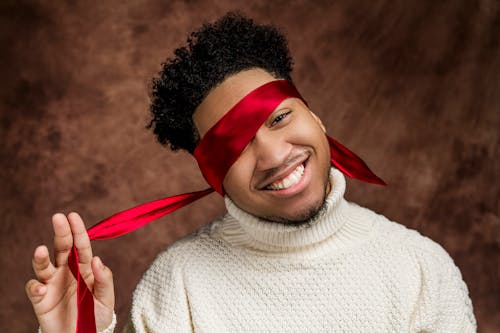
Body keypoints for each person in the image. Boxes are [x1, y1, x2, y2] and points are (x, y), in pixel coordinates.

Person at [26, 13, 477, 332]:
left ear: (314, 118)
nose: (274, 154)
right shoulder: (177, 286)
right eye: (234, 146)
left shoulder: (421, 269)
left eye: (279, 118)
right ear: (213, 177)